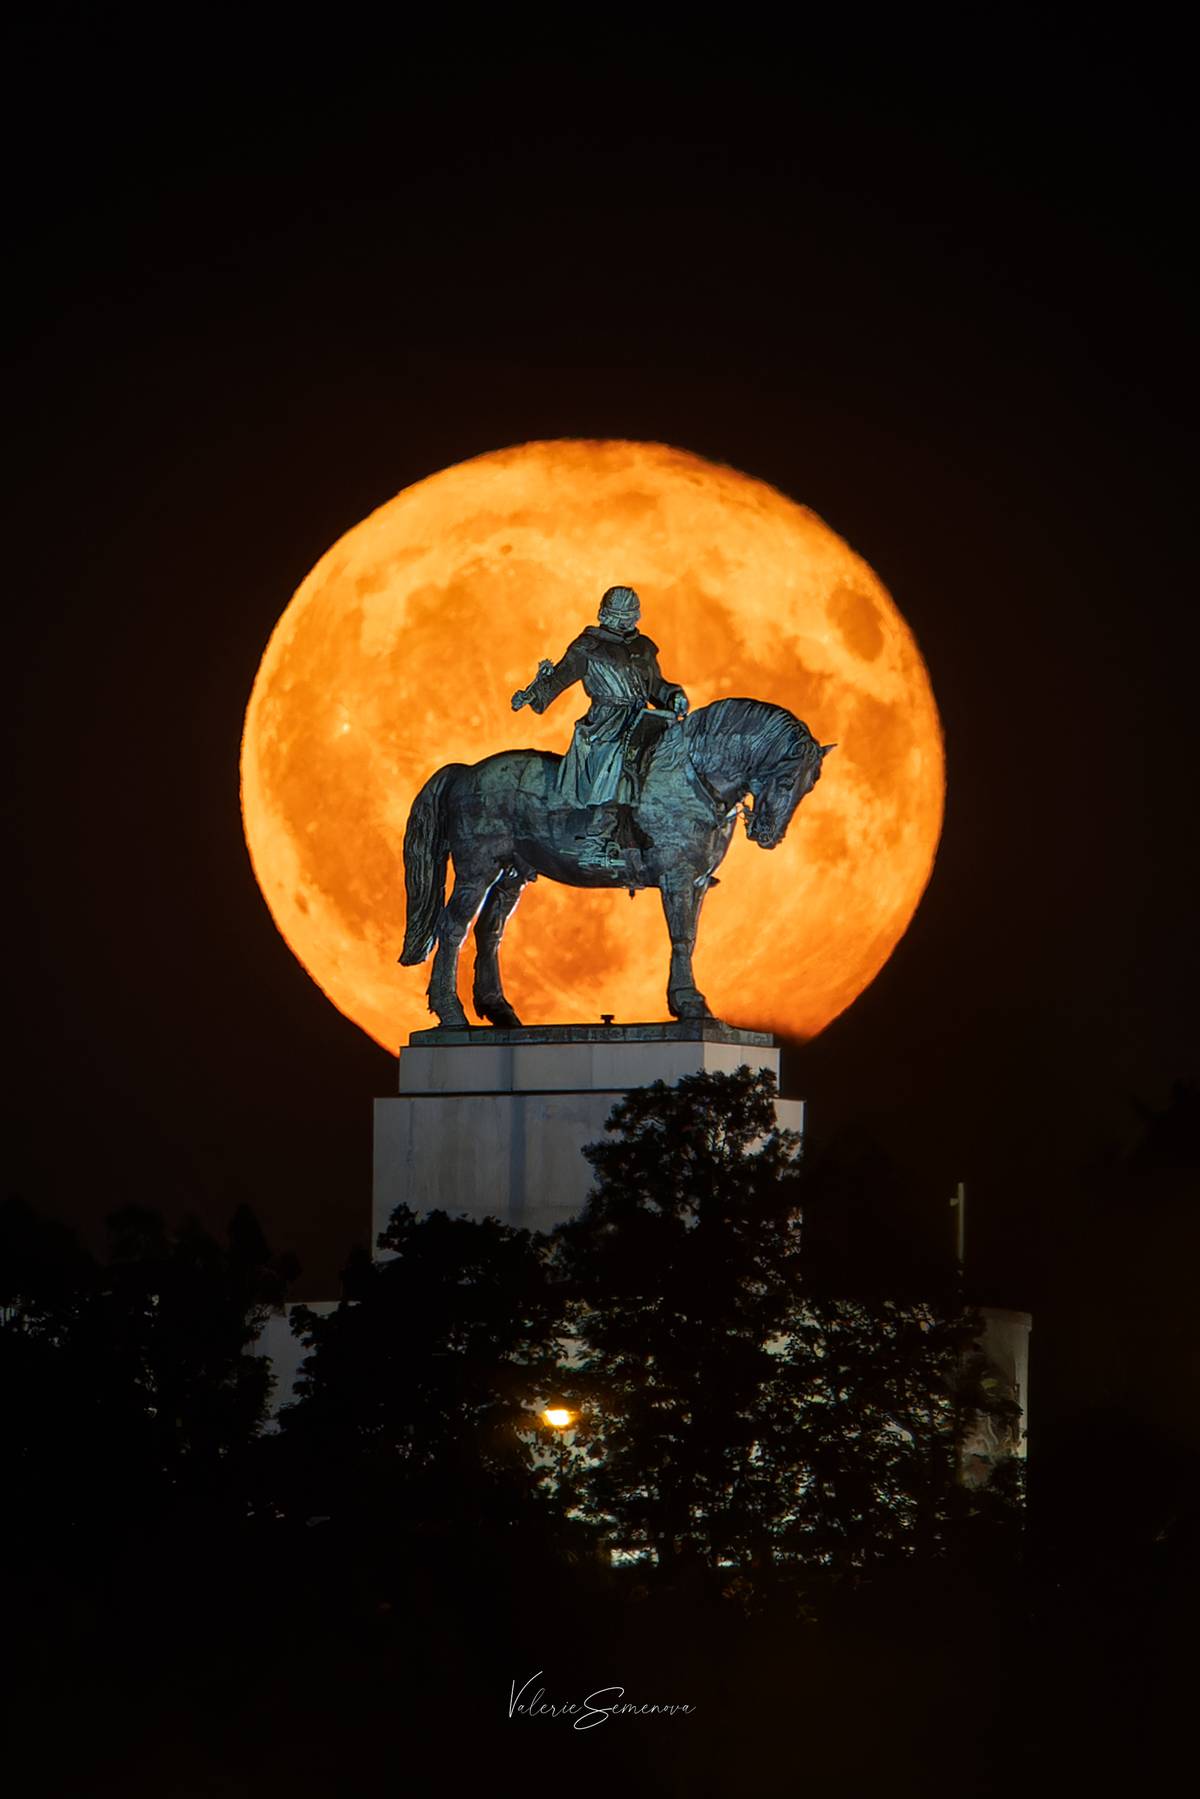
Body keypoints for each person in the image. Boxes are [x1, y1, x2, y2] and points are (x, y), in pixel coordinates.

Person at [511, 585, 688, 867]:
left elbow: (657, 686)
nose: (623, 623)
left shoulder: (642, 648)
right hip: (604, 727)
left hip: (643, 721)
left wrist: (674, 696)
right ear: (605, 615)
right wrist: (535, 693)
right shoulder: (587, 647)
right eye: (619, 617)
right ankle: (596, 840)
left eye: (628, 617)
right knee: (616, 758)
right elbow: (558, 679)